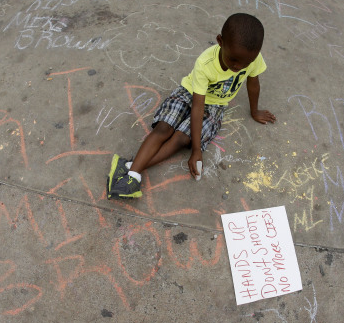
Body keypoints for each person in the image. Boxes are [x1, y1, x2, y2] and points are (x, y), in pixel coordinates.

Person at [107, 13, 276, 198]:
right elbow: (197, 106)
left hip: (215, 106)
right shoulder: (206, 63)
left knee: (181, 139)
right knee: (164, 128)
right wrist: (197, 151)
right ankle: (133, 176)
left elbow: (253, 83)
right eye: (234, 60)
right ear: (220, 41)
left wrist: (254, 111)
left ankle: (130, 168)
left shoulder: (252, 58)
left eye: (246, 63)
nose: (239, 67)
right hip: (189, 93)